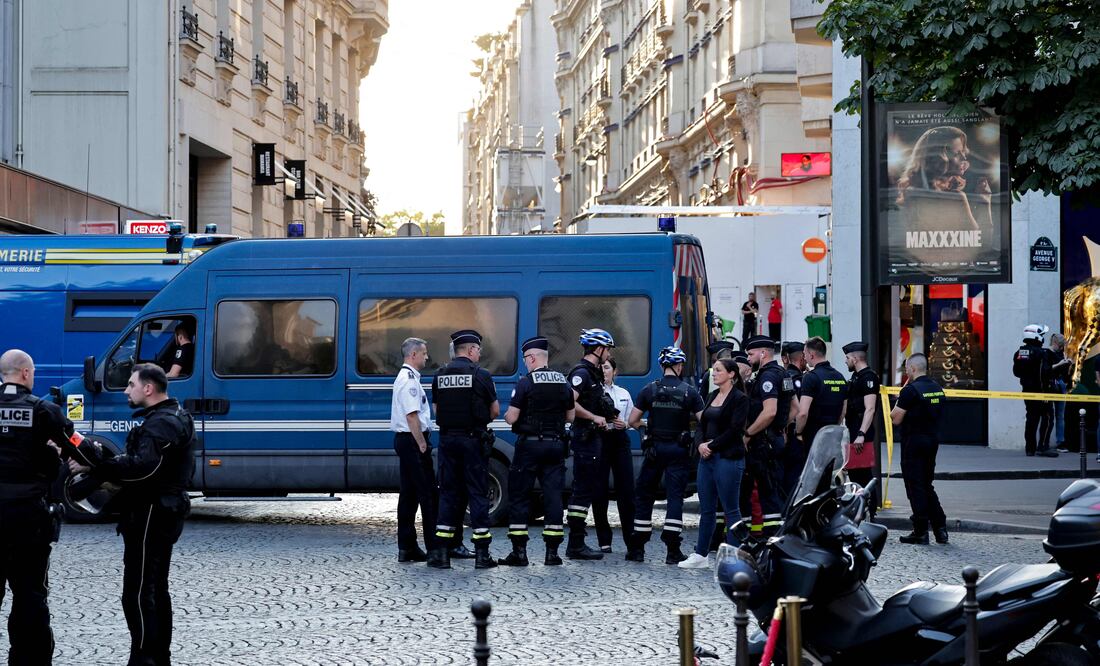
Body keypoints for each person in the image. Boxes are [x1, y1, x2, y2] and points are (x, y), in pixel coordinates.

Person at [70, 363, 195, 666]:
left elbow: (142, 469)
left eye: (130, 384)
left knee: (138, 592)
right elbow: (141, 463)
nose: (126, 390)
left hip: (151, 511)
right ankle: (157, 655)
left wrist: (96, 467)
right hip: (162, 509)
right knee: (156, 587)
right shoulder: (173, 416)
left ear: (148, 389)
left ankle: (143, 657)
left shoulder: (160, 424)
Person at [0, 349, 95, 665]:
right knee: (30, 597)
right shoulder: (43, 411)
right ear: (26, 374)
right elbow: (79, 447)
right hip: (28, 519)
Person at [499, 337, 575, 566]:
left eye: (525, 359)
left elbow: (511, 417)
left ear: (531, 358)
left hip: (529, 446)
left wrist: (509, 416)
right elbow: (570, 416)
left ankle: (519, 553)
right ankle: (552, 553)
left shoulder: (526, 382)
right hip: (555, 445)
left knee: (520, 495)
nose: (525, 364)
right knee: (553, 496)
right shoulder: (563, 382)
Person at [429, 330, 500, 570]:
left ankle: (441, 554)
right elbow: (495, 411)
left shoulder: (439, 375)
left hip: (448, 442)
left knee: (448, 494)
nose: (479, 353)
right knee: (477, 494)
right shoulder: (481, 375)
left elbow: (437, 411)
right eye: (478, 349)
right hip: (472, 442)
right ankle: (482, 555)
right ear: (470, 350)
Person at [626, 346, 704, 564]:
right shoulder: (690, 391)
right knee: (675, 498)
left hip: (654, 450)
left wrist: (647, 426)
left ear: (662, 366)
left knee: (644, 495)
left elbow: (632, 420)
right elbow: (704, 419)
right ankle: (672, 550)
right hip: (679, 450)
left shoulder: (649, 390)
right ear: (679, 366)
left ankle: (638, 548)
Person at [681, 358, 749, 569]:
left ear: (731, 374)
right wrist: (700, 444)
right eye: (714, 370)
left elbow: (735, 429)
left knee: (731, 509)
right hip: (707, 459)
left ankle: (734, 555)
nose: (714, 373)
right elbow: (702, 423)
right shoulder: (711, 395)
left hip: (728, 458)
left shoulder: (740, 399)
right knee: (707, 509)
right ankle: (701, 554)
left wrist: (712, 446)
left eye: (718, 370)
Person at [564, 328, 618, 560]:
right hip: (585, 439)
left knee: (586, 490)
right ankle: (576, 545)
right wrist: (593, 417)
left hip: (593, 438)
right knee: (582, 491)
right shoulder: (581, 373)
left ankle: (577, 543)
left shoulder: (592, 374)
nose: (608, 354)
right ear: (598, 349)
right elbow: (569, 403)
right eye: (607, 349)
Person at [891, 354, 948, 545]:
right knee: (926, 484)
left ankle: (920, 530)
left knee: (915, 486)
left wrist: (901, 394)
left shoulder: (910, 391)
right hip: (932, 440)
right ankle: (940, 528)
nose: (906, 372)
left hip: (913, 442)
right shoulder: (937, 388)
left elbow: (895, 418)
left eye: (907, 368)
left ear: (913, 369)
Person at [389, 337, 438, 562]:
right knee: (428, 494)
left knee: (408, 496)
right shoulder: (409, 381)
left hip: (405, 440)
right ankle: (435, 549)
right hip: (412, 440)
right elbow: (411, 416)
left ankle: (407, 547)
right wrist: (422, 443)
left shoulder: (408, 378)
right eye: (424, 353)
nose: (427, 357)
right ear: (413, 355)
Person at [741, 335, 793, 537]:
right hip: (775, 440)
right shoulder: (784, 374)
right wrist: (782, 429)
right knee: (772, 490)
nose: (748, 358)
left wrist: (748, 434)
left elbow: (769, 411)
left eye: (751, 354)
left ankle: (766, 538)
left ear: (763, 354)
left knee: (763, 492)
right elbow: (794, 409)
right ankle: (773, 534)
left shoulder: (768, 376)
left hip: (762, 442)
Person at [592, 357, 635, 554]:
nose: (604, 370)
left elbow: (631, 419)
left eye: (607, 367)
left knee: (626, 490)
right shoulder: (593, 392)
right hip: (601, 439)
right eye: (601, 366)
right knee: (599, 490)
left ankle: (630, 539)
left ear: (615, 371)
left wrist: (624, 424)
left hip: (620, 440)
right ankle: (604, 540)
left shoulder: (624, 393)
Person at [794, 336, 849, 463]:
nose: (804, 357)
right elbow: (843, 411)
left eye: (804, 353)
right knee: (827, 476)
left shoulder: (810, 377)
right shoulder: (840, 377)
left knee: (813, 478)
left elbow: (802, 413)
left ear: (811, 355)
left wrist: (798, 433)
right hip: (832, 436)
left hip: (813, 437)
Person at [843, 341, 880, 515]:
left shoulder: (868, 377)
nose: (846, 361)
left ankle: (870, 511)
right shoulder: (856, 377)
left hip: (860, 433)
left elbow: (870, 408)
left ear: (856, 358)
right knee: (855, 475)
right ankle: (861, 510)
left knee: (863, 474)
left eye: (848, 358)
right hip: (853, 431)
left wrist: (861, 434)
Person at [1013, 324, 1059, 457]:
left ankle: (1030, 449)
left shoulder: (1019, 352)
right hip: (1042, 391)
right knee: (1048, 417)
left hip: (1027, 390)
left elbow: (1016, 372)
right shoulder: (1041, 353)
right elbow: (1045, 372)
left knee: (1031, 419)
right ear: (1037, 336)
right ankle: (1043, 447)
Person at [1048, 333, 1071, 452]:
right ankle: (1045, 441)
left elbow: (1063, 370)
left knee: (1060, 415)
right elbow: (1047, 368)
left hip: (1060, 383)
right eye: (1061, 345)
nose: (1062, 348)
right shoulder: (1047, 352)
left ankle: (1060, 441)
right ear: (1056, 343)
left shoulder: (1060, 353)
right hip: (1050, 383)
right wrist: (1061, 363)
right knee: (1049, 415)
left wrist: (1067, 363)